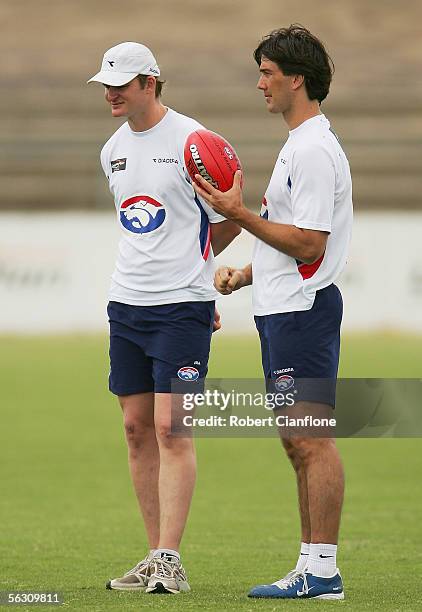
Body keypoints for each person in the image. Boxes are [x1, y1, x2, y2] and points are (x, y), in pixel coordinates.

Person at [193, 25, 352, 600]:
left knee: (311, 438)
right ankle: (312, 564)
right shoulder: (299, 143)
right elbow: (297, 241)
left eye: (266, 72)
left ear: (297, 78)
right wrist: (248, 272)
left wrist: (237, 212)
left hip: (303, 312)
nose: (259, 82)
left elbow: (311, 244)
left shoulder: (311, 149)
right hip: (284, 307)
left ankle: (324, 569)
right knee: (297, 439)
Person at [87, 41, 240, 594]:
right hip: (126, 304)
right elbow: (138, 227)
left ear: (150, 82)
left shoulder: (196, 142)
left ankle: (171, 560)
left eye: (121, 82)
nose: (111, 91)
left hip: (180, 309)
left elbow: (232, 216)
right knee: (134, 430)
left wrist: (199, 282)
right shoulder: (111, 150)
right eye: (106, 82)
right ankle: (153, 556)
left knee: (172, 430)